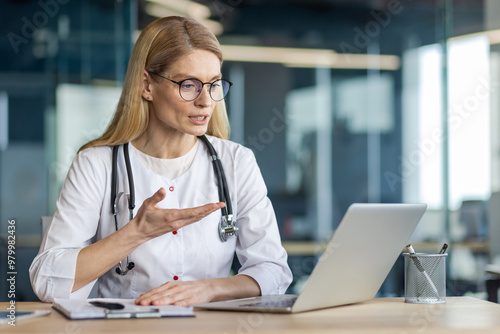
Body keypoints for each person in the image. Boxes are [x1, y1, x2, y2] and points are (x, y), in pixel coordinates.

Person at [30, 16, 292, 306]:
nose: (206, 101)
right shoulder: (96, 165)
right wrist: (134, 234)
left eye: (214, 84)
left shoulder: (236, 162)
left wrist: (208, 289)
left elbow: (274, 272)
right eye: (190, 85)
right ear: (147, 85)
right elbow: (47, 282)